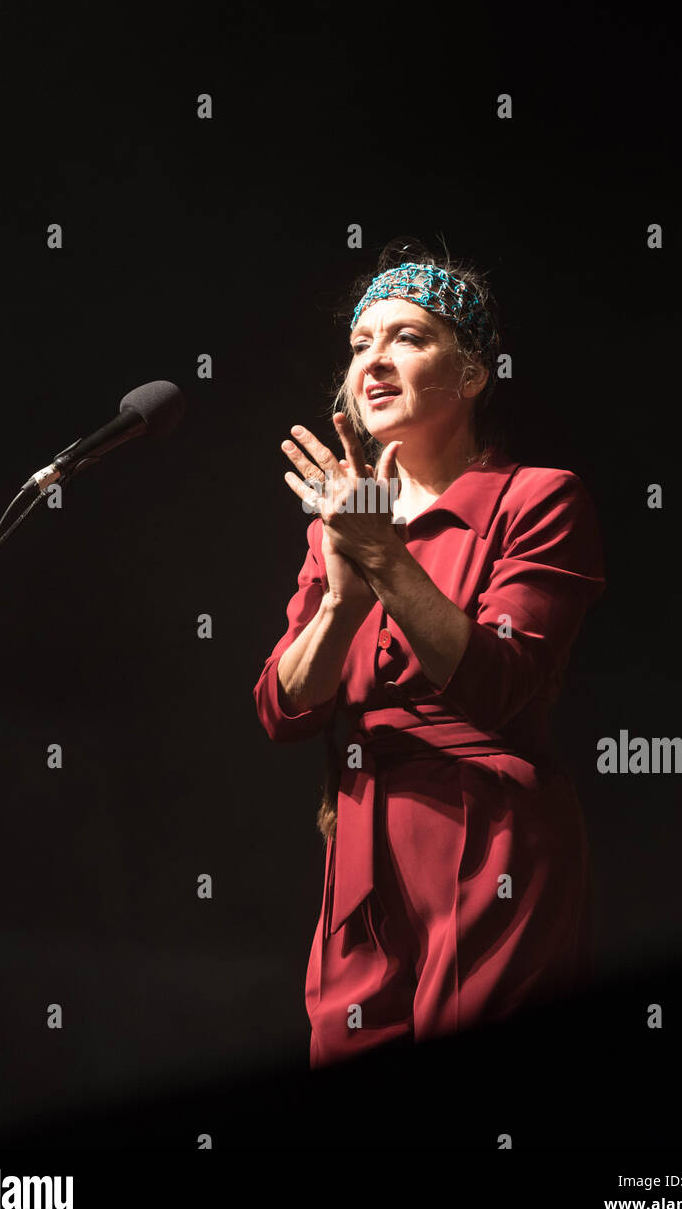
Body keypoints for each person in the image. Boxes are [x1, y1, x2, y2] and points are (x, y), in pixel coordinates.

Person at [253, 241, 607, 1068]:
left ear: (474, 374)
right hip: (361, 849)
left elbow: (497, 685)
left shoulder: (536, 497)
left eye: (408, 338)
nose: (373, 361)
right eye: (358, 344)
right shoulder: (339, 525)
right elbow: (281, 709)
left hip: (491, 840)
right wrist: (343, 598)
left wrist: (384, 559)